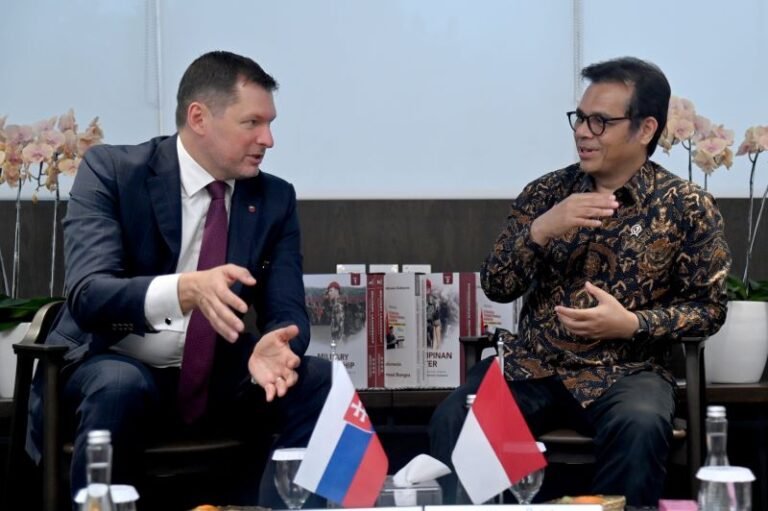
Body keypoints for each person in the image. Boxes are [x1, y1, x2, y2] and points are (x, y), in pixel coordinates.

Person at [25, 50, 331, 507]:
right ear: (199, 117)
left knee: (317, 379)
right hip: (112, 361)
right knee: (119, 384)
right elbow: (89, 294)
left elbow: (286, 308)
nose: (268, 139)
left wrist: (280, 342)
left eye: (270, 123)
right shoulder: (113, 172)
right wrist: (185, 289)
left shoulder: (274, 198)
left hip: (215, 375)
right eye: (252, 123)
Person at [429, 56, 731, 506]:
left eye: (600, 122)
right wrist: (540, 230)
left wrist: (632, 324)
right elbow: (497, 285)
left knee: (641, 424)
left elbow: (709, 309)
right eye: (580, 118)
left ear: (645, 129)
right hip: (533, 367)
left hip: (627, 372)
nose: (583, 132)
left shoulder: (687, 205)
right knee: (457, 418)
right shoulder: (545, 194)